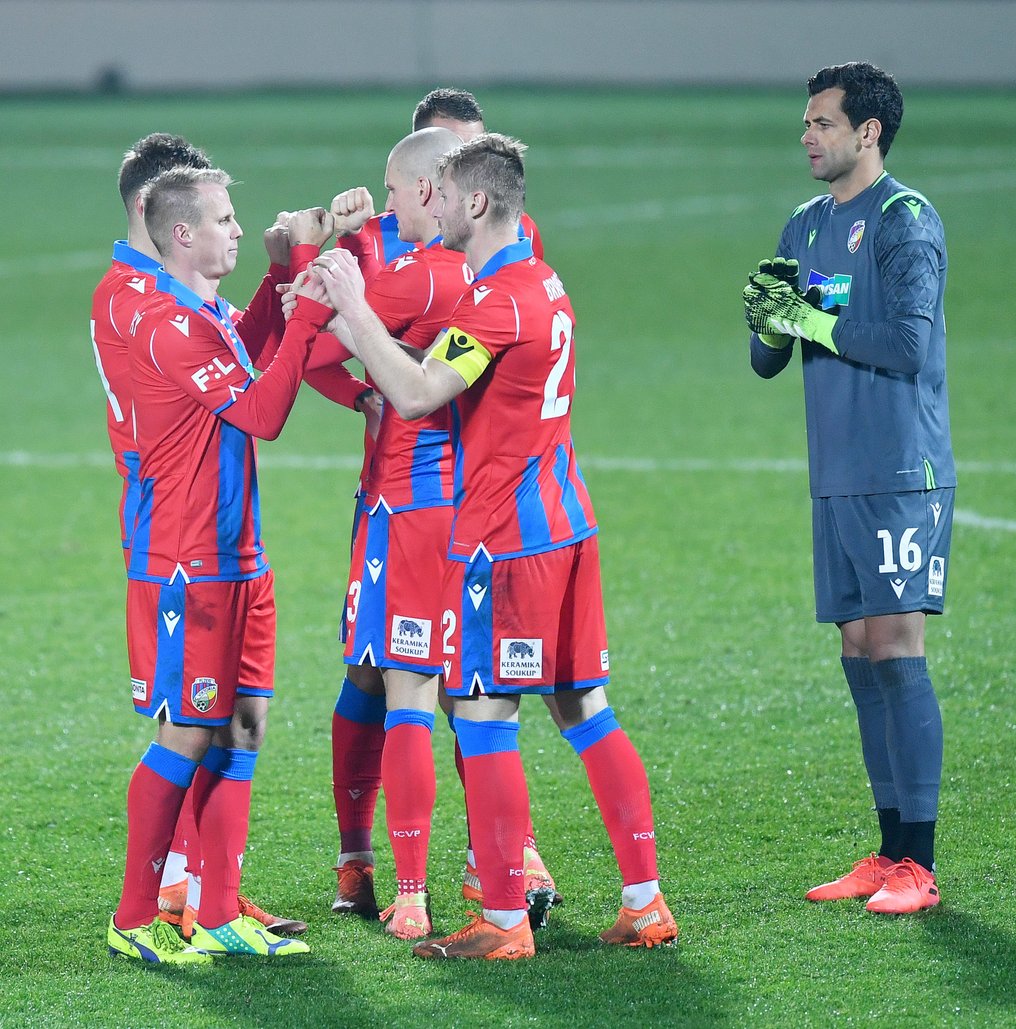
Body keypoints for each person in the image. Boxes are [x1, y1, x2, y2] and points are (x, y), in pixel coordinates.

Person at [314, 134, 678, 960]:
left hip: (505, 541)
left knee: (480, 714)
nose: (428, 208)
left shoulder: (493, 301)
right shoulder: (539, 283)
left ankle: (506, 919)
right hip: (568, 523)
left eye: (439, 194)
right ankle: (644, 900)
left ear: (475, 202)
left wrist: (353, 308)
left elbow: (412, 395)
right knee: (585, 710)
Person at [744, 61, 953, 915]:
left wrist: (810, 319)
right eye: (806, 122)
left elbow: (906, 344)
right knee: (859, 654)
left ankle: (922, 865)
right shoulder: (803, 224)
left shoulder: (908, 220)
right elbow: (768, 361)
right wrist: (765, 319)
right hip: (834, 473)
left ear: (867, 133)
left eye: (822, 123)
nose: (807, 135)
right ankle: (887, 847)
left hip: (901, 469)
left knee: (898, 648)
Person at [107, 166, 332, 962]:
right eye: (225, 220)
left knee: (240, 726)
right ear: (181, 235)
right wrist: (306, 303)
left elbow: (258, 346)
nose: (238, 229)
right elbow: (265, 411)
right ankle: (136, 918)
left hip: (240, 556)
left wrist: (281, 280)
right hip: (186, 562)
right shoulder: (171, 325)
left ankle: (218, 908)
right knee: (186, 735)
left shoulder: (208, 311)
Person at [332, 87, 542, 282]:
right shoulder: (372, 239)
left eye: (477, 150)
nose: (470, 164)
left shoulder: (518, 229)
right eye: (453, 153)